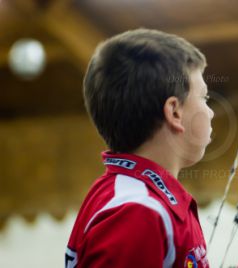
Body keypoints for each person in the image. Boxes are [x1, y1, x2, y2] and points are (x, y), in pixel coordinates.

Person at [65, 28, 214, 268]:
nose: (211, 111)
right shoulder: (137, 213)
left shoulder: (135, 197)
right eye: (205, 98)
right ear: (174, 112)